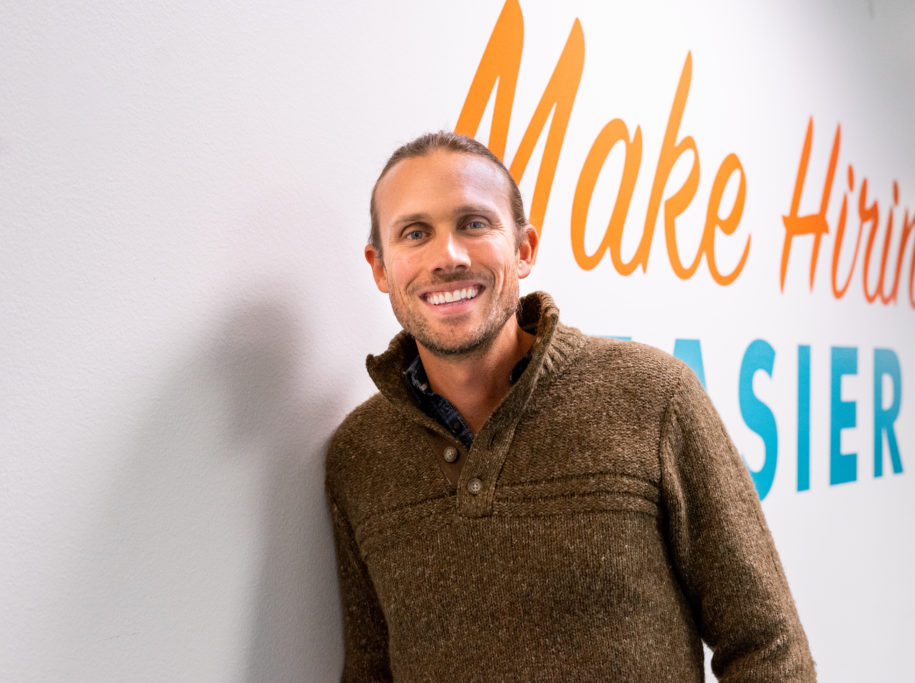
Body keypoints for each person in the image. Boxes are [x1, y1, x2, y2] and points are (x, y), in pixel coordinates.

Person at [325, 131, 815, 682]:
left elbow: (767, 646)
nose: (449, 256)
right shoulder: (358, 455)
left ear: (524, 249)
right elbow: (369, 672)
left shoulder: (655, 396)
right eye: (415, 233)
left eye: (474, 224)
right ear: (380, 267)